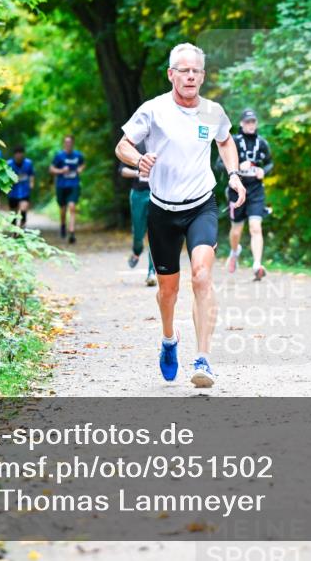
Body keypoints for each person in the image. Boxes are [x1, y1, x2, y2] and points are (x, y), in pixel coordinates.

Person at [115, 42, 246, 388]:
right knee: (167, 291)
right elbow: (123, 145)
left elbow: (226, 141)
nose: (190, 76)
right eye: (183, 70)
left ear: (203, 76)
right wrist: (137, 159)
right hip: (162, 209)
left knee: (202, 276)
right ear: (171, 74)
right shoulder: (154, 110)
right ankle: (169, 339)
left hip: (201, 205)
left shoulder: (213, 112)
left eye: (196, 71)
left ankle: (203, 359)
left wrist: (233, 174)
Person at [222, 109, 273, 281]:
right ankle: (235, 251)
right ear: (242, 124)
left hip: (256, 190)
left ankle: (257, 265)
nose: (251, 125)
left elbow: (270, 163)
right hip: (237, 190)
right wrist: (237, 168)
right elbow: (218, 164)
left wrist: (262, 170)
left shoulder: (262, 143)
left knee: (255, 227)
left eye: (253, 121)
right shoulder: (233, 142)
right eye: (247, 122)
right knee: (236, 230)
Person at [119, 140, 157, 287]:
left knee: (155, 234)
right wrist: (138, 171)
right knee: (138, 233)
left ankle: (151, 272)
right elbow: (122, 170)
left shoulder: (163, 142)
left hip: (157, 193)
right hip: (138, 194)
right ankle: (137, 250)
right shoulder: (134, 144)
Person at [49, 135, 86, 244]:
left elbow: (83, 164)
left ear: (73, 143)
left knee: (72, 207)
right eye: (66, 142)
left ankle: (72, 232)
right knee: (63, 210)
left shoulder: (78, 155)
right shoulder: (59, 156)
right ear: (64, 144)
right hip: (61, 185)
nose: (68, 144)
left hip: (74, 184)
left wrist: (80, 169)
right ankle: (63, 225)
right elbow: (51, 169)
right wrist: (61, 171)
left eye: (70, 142)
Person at [7, 145, 35, 229]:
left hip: (24, 190)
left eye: (21, 153)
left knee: (23, 209)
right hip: (13, 191)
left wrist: (31, 183)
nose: (19, 155)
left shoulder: (28, 163)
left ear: (23, 154)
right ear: (14, 155)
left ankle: (22, 229)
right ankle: (14, 231)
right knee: (13, 213)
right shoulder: (9, 164)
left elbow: (31, 174)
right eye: (17, 153)